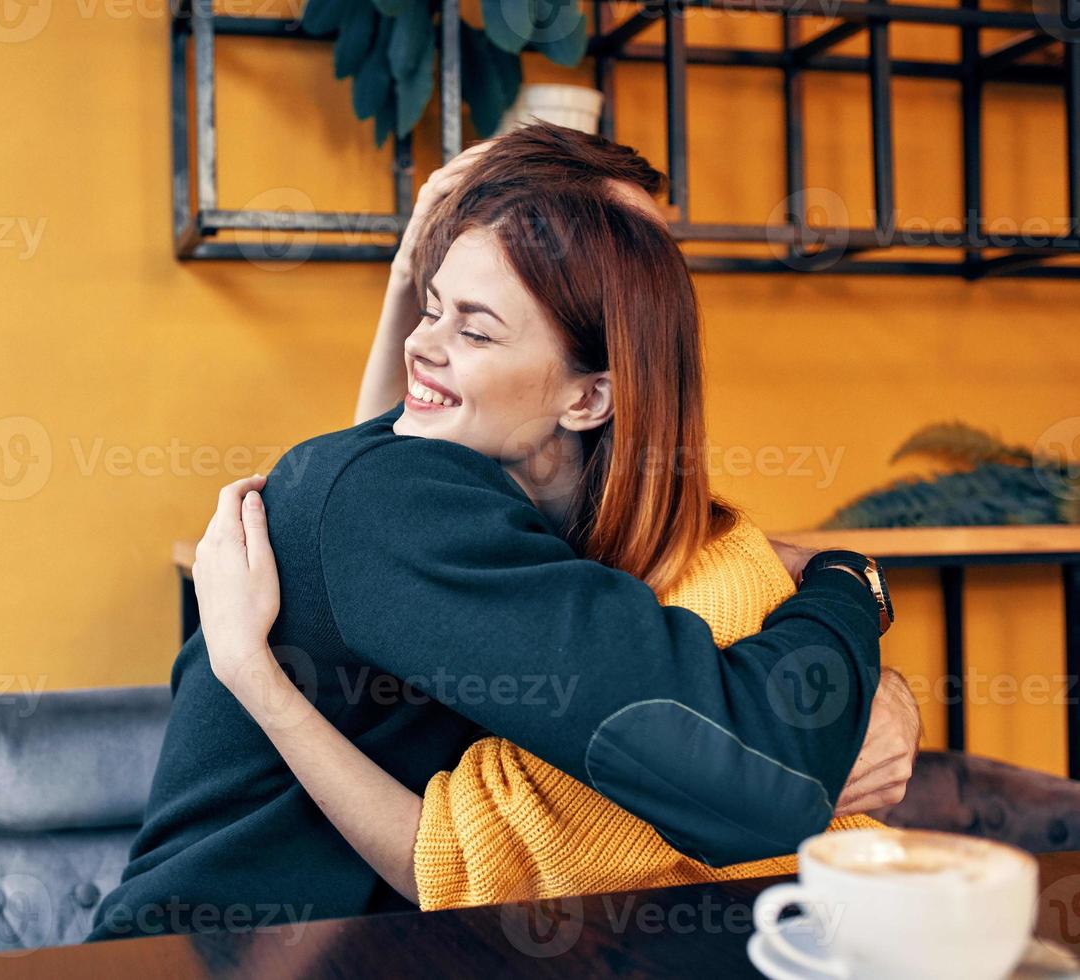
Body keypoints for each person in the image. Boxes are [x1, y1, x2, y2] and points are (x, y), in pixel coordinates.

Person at [87, 124, 914, 942]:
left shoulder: (509, 511)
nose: (424, 344)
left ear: (593, 394)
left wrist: (857, 701)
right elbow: (758, 781)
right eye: (438, 313)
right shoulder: (394, 496)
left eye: (474, 328)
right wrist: (848, 580)